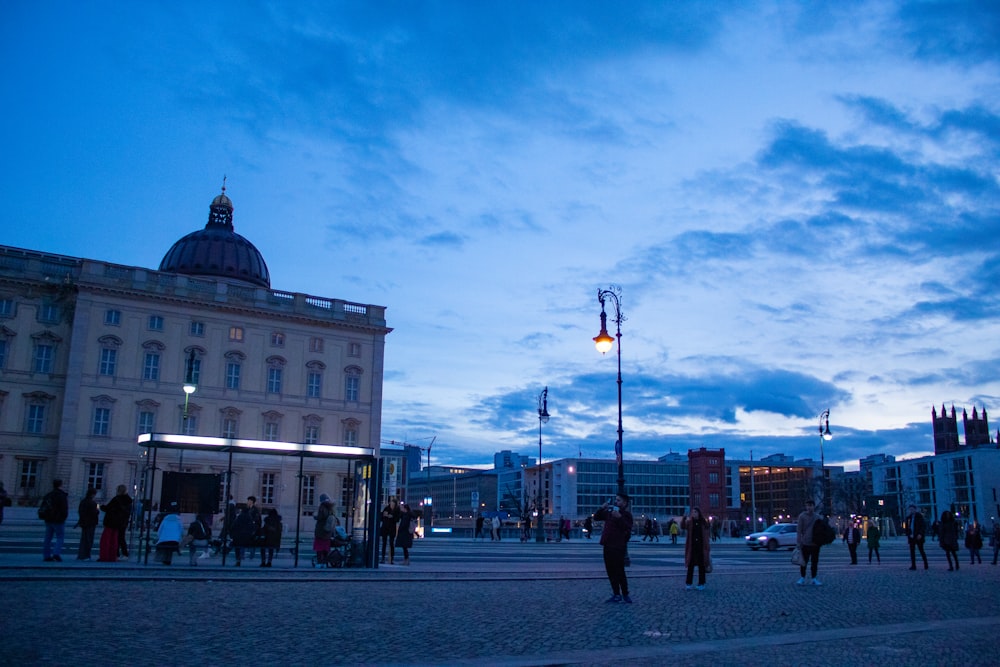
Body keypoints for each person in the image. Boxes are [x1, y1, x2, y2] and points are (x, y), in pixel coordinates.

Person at [595, 491, 634, 603]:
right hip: (607, 544)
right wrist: (601, 508)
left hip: (618, 546)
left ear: (625, 503)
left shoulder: (626, 515)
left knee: (620, 570)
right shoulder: (609, 512)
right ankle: (616, 593)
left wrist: (620, 517)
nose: (616, 502)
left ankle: (625, 593)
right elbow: (596, 517)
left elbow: (627, 527)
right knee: (610, 570)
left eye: (618, 500)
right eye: (615, 500)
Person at [98, 484, 132, 561]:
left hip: (114, 522)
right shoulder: (128, 501)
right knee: (120, 538)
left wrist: (101, 507)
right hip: (123, 521)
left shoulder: (117, 499)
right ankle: (123, 554)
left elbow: (108, 508)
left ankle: (115, 554)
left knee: (113, 539)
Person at [40, 479, 69, 562]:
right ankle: (56, 554)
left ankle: (46, 555)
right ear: (61, 485)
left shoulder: (49, 495)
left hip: (48, 519)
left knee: (48, 538)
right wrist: (63, 517)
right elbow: (64, 508)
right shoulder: (61, 495)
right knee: (60, 537)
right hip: (58, 520)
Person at [682, 507, 711, 590]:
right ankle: (688, 583)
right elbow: (683, 526)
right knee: (690, 566)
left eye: (695, 512)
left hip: (701, 547)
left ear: (698, 513)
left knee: (701, 566)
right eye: (692, 512)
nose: (693, 513)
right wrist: (684, 517)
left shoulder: (703, 522)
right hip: (692, 547)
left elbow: (707, 532)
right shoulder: (690, 522)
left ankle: (701, 583)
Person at [795, 499, 821, 585]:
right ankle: (802, 577)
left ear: (814, 506)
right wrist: (799, 542)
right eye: (808, 505)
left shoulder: (817, 517)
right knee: (803, 562)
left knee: (814, 562)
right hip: (805, 543)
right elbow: (799, 530)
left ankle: (814, 578)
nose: (809, 507)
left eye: (811, 505)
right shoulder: (802, 516)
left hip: (815, 543)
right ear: (806, 507)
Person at [231, 501, 259, 566]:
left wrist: (233, 533)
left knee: (237, 547)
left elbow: (234, 526)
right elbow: (252, 527)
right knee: (249, 545)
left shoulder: (239, 517)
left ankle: (238, 560)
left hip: (239, 535)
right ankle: (250, 556)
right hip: (247, 536)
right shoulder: (249, 518)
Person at [313, 493, 337, 568]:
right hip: (328, 533)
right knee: (325, 549)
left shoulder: (322, 508)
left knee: (319, 549)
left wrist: (315, 516)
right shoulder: (332, 508)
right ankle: (325, 562)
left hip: (321, 531)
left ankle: (320, 563)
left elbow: (320, 517)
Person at [75, 487, 99, 561]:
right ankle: (86, 555)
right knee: (89, 540)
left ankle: (81, 555)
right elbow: (96, 513)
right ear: (93, 494)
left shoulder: (83, 501)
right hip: (91, 523)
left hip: (84, 522)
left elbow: (80, 511)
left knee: (83, 539)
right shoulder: (93, 503)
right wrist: (98, 508)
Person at [903, 504, 928, 570]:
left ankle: (925, 564)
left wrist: (920, 534)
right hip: (911, 537)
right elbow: (907, 528)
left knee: (921, 550)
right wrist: (909, 534)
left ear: (915, 509)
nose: (911, 510)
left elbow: (923, 526)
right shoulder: (908, 518)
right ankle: (913, 565)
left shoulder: (919, 516)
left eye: (912, 509)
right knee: (912, 552)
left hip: (918, 536)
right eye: (910, 509)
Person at [380, 497, 400, 564]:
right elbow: (381, 517)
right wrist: (384, 515)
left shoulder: (397, 510)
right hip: (385, 527)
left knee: (391, 543)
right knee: (384, 543)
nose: (392, 505)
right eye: (391, 503)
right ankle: (383, 558)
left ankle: (391, 559)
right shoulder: (386, 508)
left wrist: (392, 517)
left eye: (393, 504)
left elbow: (397, 519)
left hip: (392, 528)